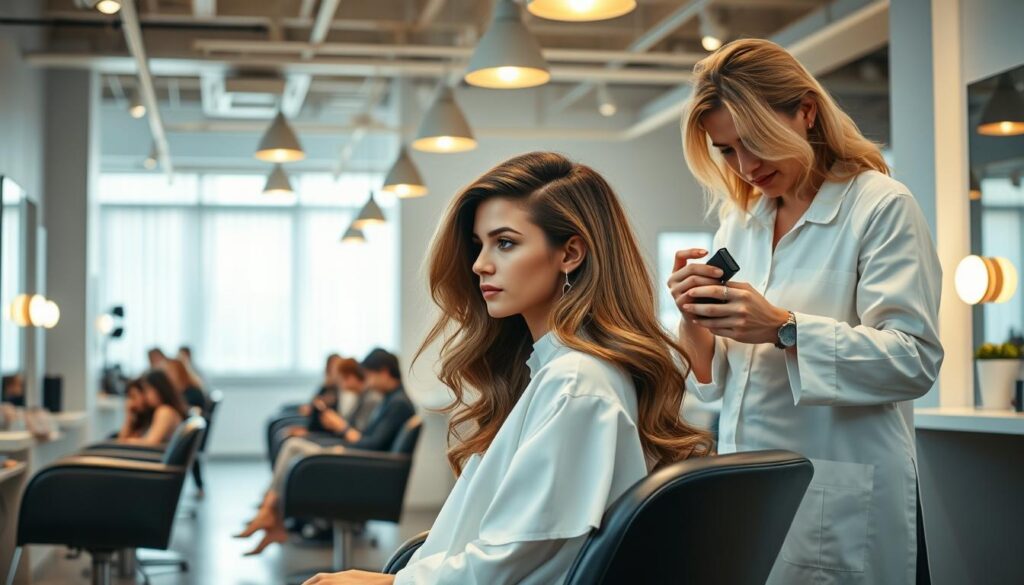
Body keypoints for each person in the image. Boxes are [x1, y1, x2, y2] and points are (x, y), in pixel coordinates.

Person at [300, 152, 713, 585]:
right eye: (479, 244)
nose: (480, 263)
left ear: (570, 253)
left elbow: (517, 558)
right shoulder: (558, 372)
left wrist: (390, 583)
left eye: (506, 243)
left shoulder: (576, 383)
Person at [668, 39, 943, 584]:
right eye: (726, 150)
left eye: (753, 141)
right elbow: (716, 385)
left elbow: (915, 361)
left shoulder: (881, 206)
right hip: (749, 491)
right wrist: (692, 316)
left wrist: (785, 329)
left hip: (837, 498)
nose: (745, 166)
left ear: (805, 112)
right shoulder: (739, 223)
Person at [237, 349, 413, 556]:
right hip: (360, 462)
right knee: (294, 445)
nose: (368, 382)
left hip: (362, 467)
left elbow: (372, 444)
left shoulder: (397, 404)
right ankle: (271, 512)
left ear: (384, 372)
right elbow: (369, 439)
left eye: (370, 376)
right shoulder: (390, 400)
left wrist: (341, 437)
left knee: (294, 446)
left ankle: (271, 512)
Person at [118, 370, 187, 446]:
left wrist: (127, 441)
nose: (146, 396)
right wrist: (129, 415)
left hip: (153, 456)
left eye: (148, 390)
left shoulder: (165, 411)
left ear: (159, 389)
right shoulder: (159, 411)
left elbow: (150, 443)